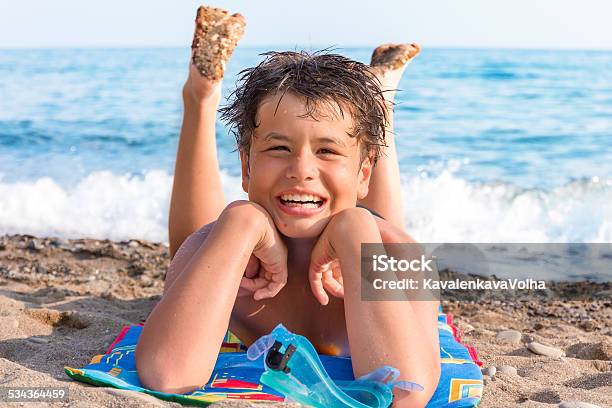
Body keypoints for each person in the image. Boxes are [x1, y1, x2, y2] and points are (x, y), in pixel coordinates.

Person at [135, 32, 440, 406]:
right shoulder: (218, 240)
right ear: (246, 168)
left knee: (377, 225)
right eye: (279, 148)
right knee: (194, 243)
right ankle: (200, 99)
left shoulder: (403, 258)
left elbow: (406, 396)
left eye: (326, 151)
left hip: (362, 223)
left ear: (364, 176)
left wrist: (355, 229)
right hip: (280, 217)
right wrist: (240, 222)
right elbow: (167, 376)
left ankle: (381, 103)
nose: (302, 170)